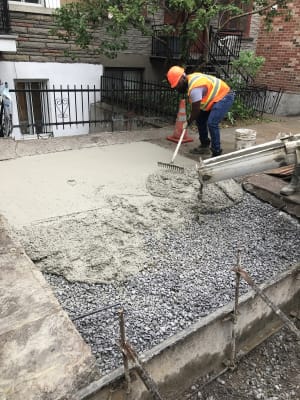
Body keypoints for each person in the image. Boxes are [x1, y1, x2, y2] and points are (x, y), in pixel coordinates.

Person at [166, 66, 235, 157]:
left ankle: (216, 152)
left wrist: (188, 122)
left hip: (225, 96)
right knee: (200, 119)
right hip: (214, 98)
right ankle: (204, 146)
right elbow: (197, 110)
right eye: (175, 87)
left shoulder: (195, 88)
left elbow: (196, 111)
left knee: (212, 123)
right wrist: (191, 120)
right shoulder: (190, 80)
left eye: (178, 85)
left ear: (183, 78)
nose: (177, 88)